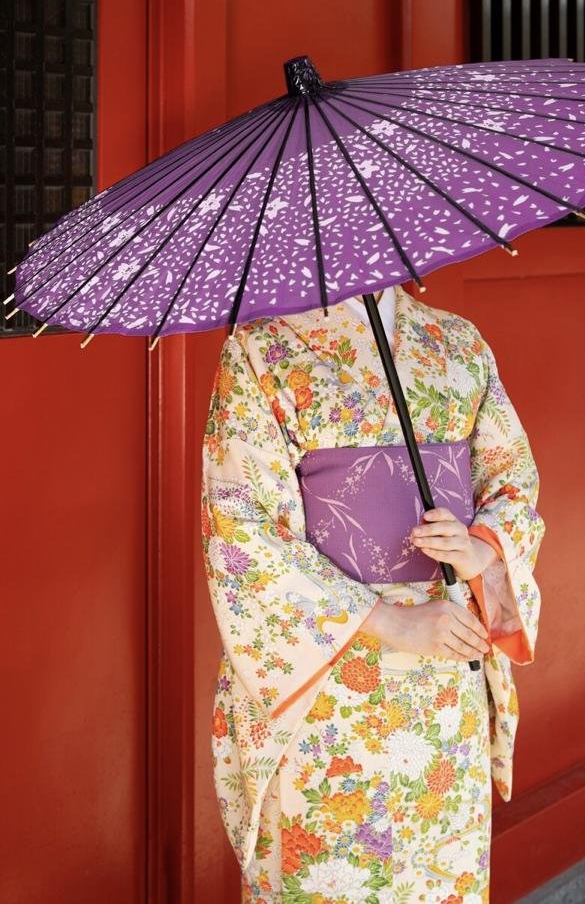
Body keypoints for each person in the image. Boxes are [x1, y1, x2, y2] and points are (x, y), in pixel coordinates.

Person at [201, 282, 545, 902]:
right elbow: (243, 524)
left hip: (448, 658)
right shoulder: (261, 349)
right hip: (331, 676)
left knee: (439, 866)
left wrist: (480, 550)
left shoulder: (458, 344)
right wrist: (390, 619)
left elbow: (511, 478)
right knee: (329, 870)